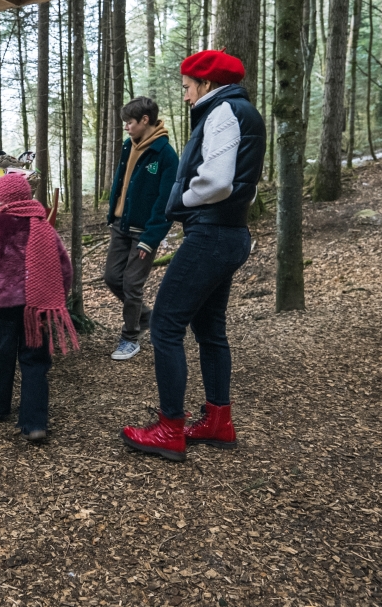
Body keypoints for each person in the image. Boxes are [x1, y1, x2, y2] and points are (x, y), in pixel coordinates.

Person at [121, 50, 266, 462]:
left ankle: (170, 429)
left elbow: (218, 181)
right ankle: (219, 420)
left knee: (165, 324)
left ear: (206, 84)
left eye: (187, 87)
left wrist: (181, 201)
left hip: (212, 232)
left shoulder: (222, 111)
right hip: (231, 232)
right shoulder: (244, 111)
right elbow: (245, 185)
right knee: (210, 328)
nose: (185, 96)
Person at [0, 174, 80, 442]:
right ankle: (34, 423)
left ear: (0, 200)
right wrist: (56, 297)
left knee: (3, 354)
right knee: (35, 361)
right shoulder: (43, 227)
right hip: (38, 306)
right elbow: (65, 268)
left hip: (6, 307)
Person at [104, 97, 179, 361]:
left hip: (145, 232)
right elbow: (121, 184)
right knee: (112, 278)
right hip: (120, 226)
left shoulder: (165, 154)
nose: (126, 127)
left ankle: (130, 337)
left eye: (130, 122)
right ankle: (146, 317)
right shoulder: (128, 146)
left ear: (145, 120)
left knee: (132, 283)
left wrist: (151, 238)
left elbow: (165, 202)